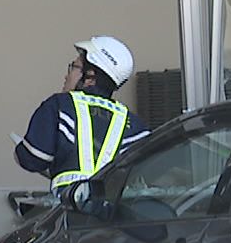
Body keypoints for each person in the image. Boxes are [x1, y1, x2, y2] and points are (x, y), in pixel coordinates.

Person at [14, 36, 150, 191]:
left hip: (68, 204)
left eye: (74, 67)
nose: (67, 76)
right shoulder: (135, 126)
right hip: (114, 207)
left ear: (90, 77)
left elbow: (32, 159)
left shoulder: (59, 106)